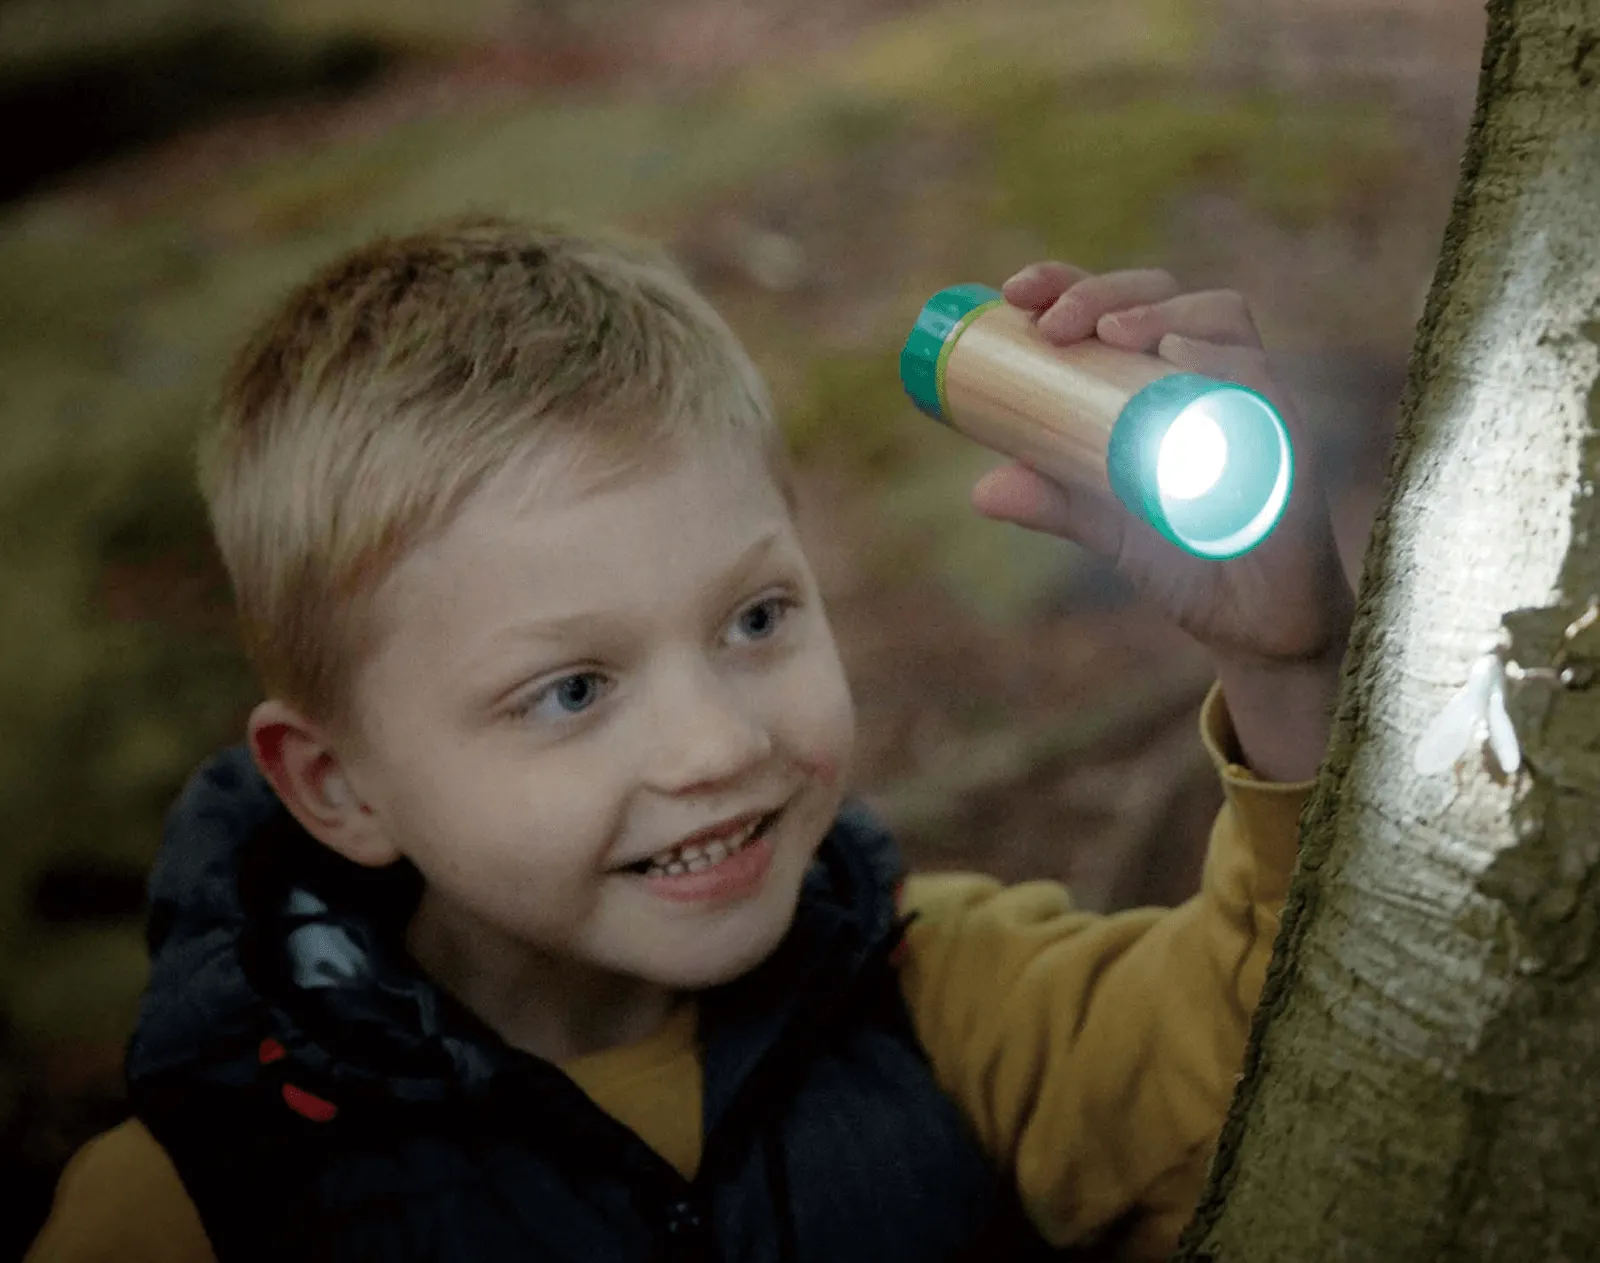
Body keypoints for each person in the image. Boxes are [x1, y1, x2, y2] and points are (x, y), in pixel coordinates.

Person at [25, 218, 1352, 1263]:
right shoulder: (196, 1207)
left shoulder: (944, 1005)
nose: (716, 743)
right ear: (339, 785)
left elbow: (1316, 1053)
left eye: (758, 614)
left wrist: (1287, 661)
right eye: (570, 692)